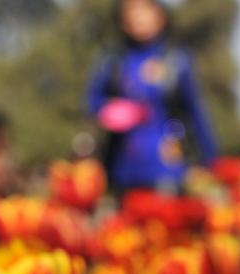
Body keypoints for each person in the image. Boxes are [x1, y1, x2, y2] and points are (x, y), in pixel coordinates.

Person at [86, 0, 218, 193]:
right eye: (131, 9)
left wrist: (212, 161)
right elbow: (93, 103)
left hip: (169, 169)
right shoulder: (111, 61)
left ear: (160, 15)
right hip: (121, 170)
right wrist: (113, 112)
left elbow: (195, 111)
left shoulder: (177, 60)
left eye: (144, 8)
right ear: (122, 20)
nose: (138, 16)